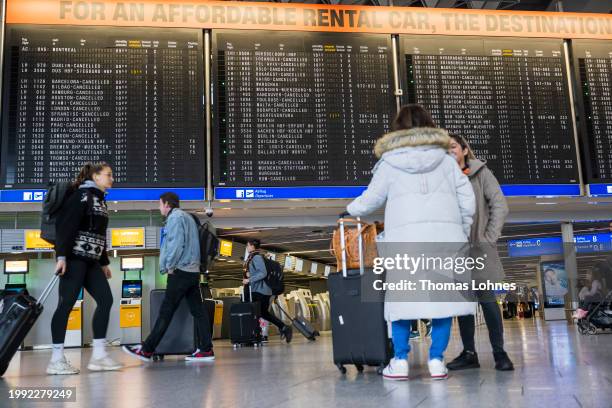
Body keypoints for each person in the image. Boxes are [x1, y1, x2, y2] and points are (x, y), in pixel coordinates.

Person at [343, 104, 476, 381]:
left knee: (401, 301)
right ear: (429, 126)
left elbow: (372, 198)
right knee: (443, 302)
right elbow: (467, 200)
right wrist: (459, 231)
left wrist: (350, 209)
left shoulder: (390, 162)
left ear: (398, 129)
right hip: (445, 243)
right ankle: (437, 361)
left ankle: (400, 361)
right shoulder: (447, 161)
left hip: (405, 244)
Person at [446, 134, 514, 371]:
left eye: (453, 146)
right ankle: (469, 353)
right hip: (455, 252)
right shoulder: (442, 179)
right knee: (464, 305)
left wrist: (488, 238)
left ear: (464, 150)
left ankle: (499, 353)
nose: (449, 150)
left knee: (487, 301)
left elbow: (500, 205)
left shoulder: (481, 173)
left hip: (479, 249)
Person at [48, 162, 122, 375]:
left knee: (106, 300)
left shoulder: (99, 200)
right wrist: (61, 256)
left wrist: (104, 262)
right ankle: (56, 359)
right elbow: (65, 227)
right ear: (96, 176)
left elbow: (100, 234)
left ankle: (98, 356)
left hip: (91, 261)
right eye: (108, 175)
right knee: (66, 305)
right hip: (74, 259)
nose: (112, 179)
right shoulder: (80, 196)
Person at [123, 192, 214, 362]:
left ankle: (147, 349)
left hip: (180, 271)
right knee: (198, 311)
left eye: (160, 204)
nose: (159, 208)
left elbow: (175, 244)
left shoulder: (175, 218)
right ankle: (206, 349)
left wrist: (169, 266)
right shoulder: (188, 217)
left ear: (166, 204)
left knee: (166, 311)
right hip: (192, 272)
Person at [243, 239, 293, 343]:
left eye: (247, 245)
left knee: (259, 313)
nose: (247, 247)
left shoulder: (256, 257)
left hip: (260, 291)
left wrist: (249, 279)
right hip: (260, 290)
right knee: (262, 313)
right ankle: (283, 328)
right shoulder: (254, 256)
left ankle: (281, 328)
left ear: (252, 246)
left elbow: (263, 273)